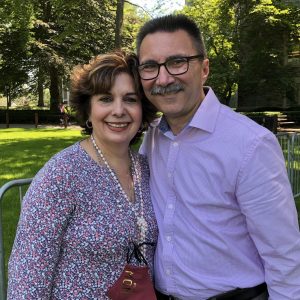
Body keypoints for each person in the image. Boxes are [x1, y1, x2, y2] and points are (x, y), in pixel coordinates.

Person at [136, 14, 300, 300]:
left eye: (177, 62)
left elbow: (284, 257)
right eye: (150, 66)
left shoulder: (251, 144)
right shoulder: (150, 139)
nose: (163, 78)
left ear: (204, 68)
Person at [7, 51, 158, 299]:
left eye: (130, 99)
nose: (119, 110)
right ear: (88, 110)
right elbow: (28, 277)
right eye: (106, 99)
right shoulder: (61, 174)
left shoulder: (146, 168)